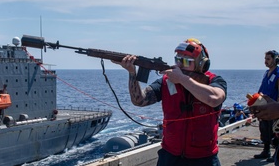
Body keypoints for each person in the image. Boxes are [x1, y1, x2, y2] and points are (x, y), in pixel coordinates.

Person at [113, 38, 227, 166]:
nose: (179, 65)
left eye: (185, 61)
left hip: (203, 158)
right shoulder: (166, 81)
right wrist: (132, 73)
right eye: (177, 60)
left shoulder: (214, 81)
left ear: (201, 64)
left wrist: (182, 79)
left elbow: (214, 99)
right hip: (170, 156)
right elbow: (140, 100)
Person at [253, 50, 279, 162]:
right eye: (265, 59)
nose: (266, 61)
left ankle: (276, 152)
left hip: (273, 107)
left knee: (274, 130)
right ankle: (266, 150)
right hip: (263, 105)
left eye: (268, 59)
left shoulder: (278, 73)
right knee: (264, 129)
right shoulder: (266, 73)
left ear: (275, 60)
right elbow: (262, 87)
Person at [250, 95, 279, 165]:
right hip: (267, 107)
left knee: (271, 133)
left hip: (272, 108)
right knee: (264, 131)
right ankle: (266, 150)